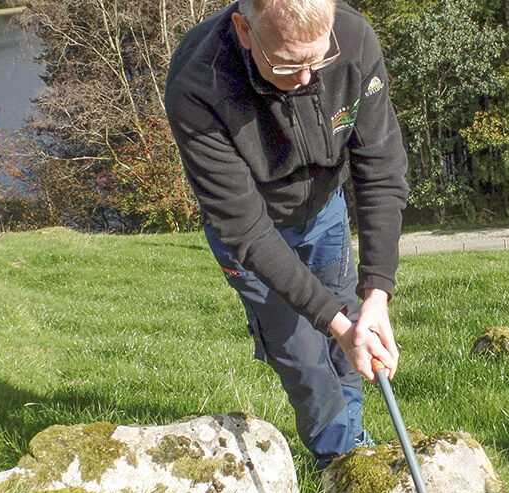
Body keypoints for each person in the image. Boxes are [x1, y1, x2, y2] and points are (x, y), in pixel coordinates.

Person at [165, 0, 408, 469]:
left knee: (348, 338)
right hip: (253, 233)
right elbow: (245, 228)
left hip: (325, 212)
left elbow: (380, 169)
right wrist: (335, 323)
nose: (306, 79)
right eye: (287, 63)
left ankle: (351, 441)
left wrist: (376, 293)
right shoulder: (198, 84)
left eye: (317, 60)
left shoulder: (354, 41)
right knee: (301, 354)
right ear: (244, 29)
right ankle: (339, 464)